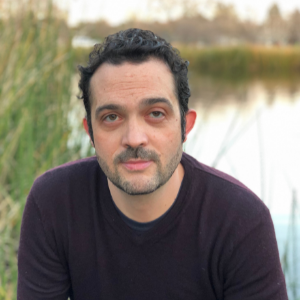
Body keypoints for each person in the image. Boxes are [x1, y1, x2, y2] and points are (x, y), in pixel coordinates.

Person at [18, 28, 288, 299]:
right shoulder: (53, 203)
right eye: (112, 117)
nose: (134, 139)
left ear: (186, 126)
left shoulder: (241, 221)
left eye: (156, 114)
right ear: (89, 132)